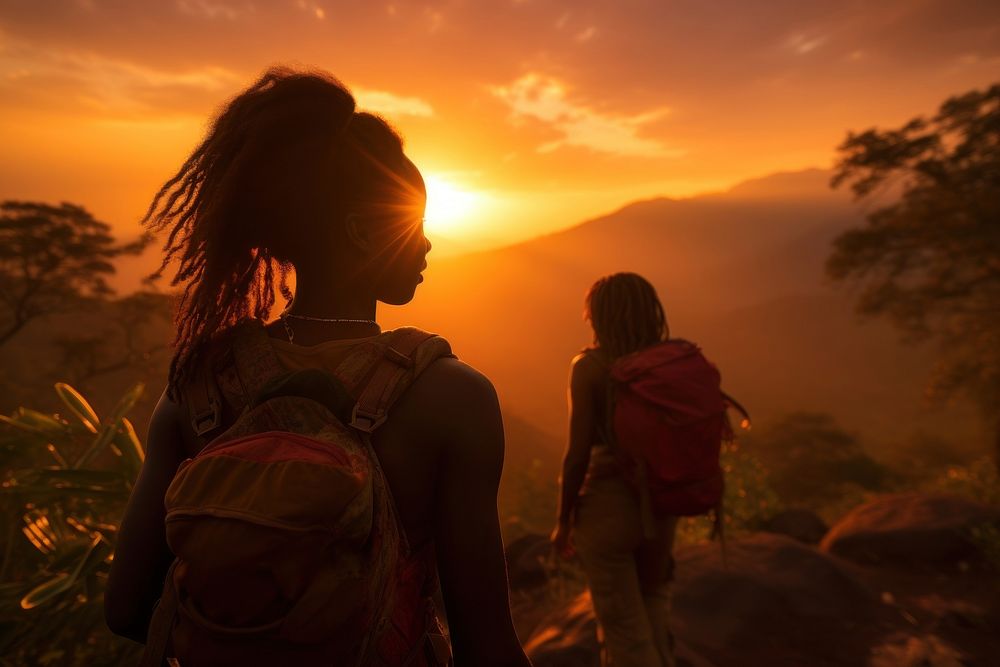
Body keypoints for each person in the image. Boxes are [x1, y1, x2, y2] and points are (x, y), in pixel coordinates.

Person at [105, 67, 531, 667]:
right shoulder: (450, 396)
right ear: (361, 232)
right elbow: (485, 643)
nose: (429, 244)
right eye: (415, 224)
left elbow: (125, 610)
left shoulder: (198, 386)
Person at [551, 272, 679, 667]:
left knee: (623, 628)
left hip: (609, 505)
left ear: (597, 316)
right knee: (653, 604)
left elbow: (577, 455)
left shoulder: (590, 366)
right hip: (662, 504)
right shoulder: (670, 361)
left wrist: (564, 520)